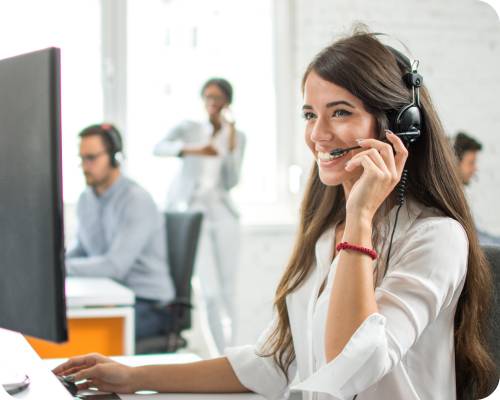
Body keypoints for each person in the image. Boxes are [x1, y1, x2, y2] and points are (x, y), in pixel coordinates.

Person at [55, 31, 495, 400]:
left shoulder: (437, 238)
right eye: (309, 114)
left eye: (340, 112)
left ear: (400, 126)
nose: (318, 135)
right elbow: (276, 361)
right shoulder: (326, 233)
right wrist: (134, 377)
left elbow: (350, 366)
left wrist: (361, 216)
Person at [153, 78, 246, 352]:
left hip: (223, 212)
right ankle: (219, 355)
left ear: (227, 101)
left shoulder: (236, 135)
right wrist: (193, 149)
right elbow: (158, 147)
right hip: (193, 212)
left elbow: (232, 181)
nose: (212, 102)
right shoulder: (189, 128)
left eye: (217, 97)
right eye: (207, 96)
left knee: (229, 290)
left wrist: (230, 145)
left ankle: (234, 352)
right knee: (210, 292)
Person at [66, 123, 176, 342]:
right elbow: (81, 250)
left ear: (115, 157)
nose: (85, 166)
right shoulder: (85, 199)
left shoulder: (136, 200)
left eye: (91, 158)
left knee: (78, 336)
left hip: (150, 304)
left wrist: (61, 269)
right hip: (112, 296)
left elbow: (115, 266)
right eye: (81, 159)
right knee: (64, 325)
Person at [452, 131, 500, 246]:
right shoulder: (452, 199)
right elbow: (477, 240)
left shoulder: (460, 195)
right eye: (471, 163)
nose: (475, 169)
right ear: (455, 162)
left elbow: (478, 234)